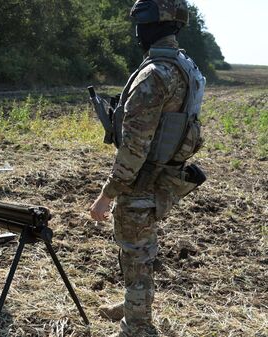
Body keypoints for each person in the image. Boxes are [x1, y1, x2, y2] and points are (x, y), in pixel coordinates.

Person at [89, 0, 206, 336]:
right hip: (163, 176)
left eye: (141, 22)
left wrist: (105, 195)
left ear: (155, 25)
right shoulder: (186, 67)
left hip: (141, 180)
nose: (137, 30)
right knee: (138, 249)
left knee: (136, 251)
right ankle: (132, 303)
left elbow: (135, 147)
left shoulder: (154, 75)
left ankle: (137, 326)